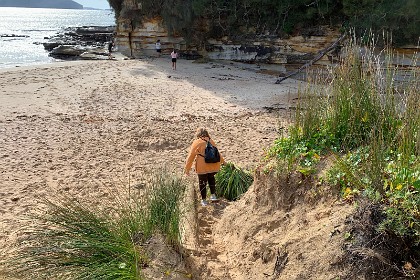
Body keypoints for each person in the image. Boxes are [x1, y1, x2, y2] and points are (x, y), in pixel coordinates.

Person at [184, 128, 225, 206]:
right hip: (214, 166)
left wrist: (187, 169)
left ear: (198, 134)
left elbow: (191, 157)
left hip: (202, 166)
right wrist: (224, 163)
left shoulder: (197, 142)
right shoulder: (211, 141)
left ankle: (204, 200)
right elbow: (218, 154)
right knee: (211, 179)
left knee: (202, 183)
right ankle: (213, 196)